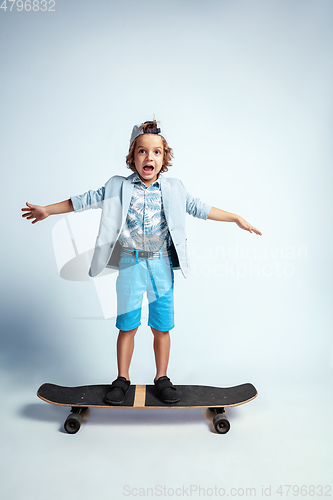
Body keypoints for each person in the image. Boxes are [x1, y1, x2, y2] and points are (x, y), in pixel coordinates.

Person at [21, 120, 262, 405]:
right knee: (128, 325)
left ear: (164, 158)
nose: (150, 157)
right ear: (132, 156)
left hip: (161, 265)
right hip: (130, 265)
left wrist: (235, 217)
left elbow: (199, 207)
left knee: (162, 326)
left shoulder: (173, 188)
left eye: (156, 152)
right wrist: (48, 210)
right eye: (143, 152)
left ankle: (162, 378)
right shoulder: (116, 186)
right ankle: (122, 379)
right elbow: (83, 200)